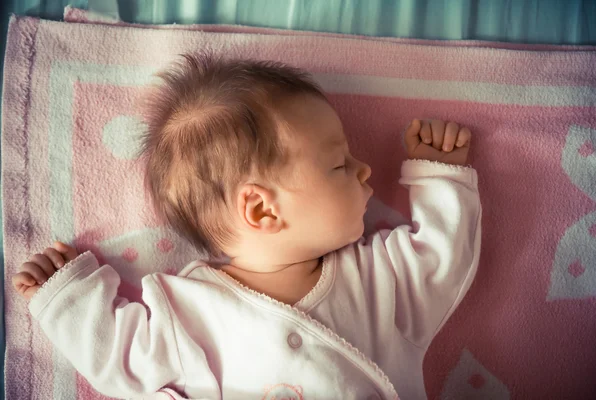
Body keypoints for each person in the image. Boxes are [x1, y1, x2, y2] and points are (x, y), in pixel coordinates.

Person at [12, 52, 481, 400]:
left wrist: (439, 174)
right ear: (261, 211)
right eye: (339, 165)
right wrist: (68, 297)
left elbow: (442, 259)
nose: (365, 171)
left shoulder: (380, 277)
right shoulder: (187, 311)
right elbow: (119, 358)